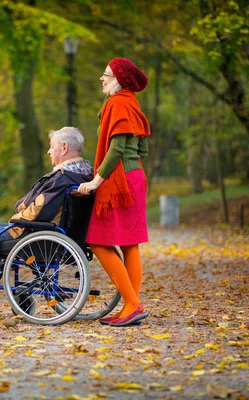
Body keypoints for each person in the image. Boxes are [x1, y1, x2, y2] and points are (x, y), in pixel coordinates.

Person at [0, 127, 93, 307]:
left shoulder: (63, 177)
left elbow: (40, 210)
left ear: (64, 148)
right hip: (60, 238)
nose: (48, 151)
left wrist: (18, 215)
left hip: (38, 239)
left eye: (52, 146)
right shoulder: (85, 175)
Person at [77, 58, 151, 327]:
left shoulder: (118, 103)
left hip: (120, 180)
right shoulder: (131, 102)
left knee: (97, 241)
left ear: (120, 79)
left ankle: (133, 304)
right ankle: (131, 306)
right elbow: (142, 150)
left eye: (106, 74)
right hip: (134, 177)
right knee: (130, 244)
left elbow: (117, 149)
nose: (101, 78)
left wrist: (97, 181)